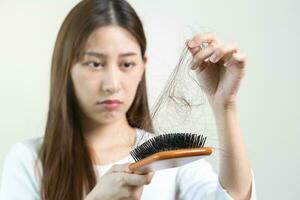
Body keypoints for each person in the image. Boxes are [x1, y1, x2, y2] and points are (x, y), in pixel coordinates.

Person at [0, 0, 257, 199]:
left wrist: (225, 105)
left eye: (126, 64)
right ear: (66, 68)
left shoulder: (170, 159)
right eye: (94, 63)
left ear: (142, 66)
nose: (112, 84)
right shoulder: (29, 161)